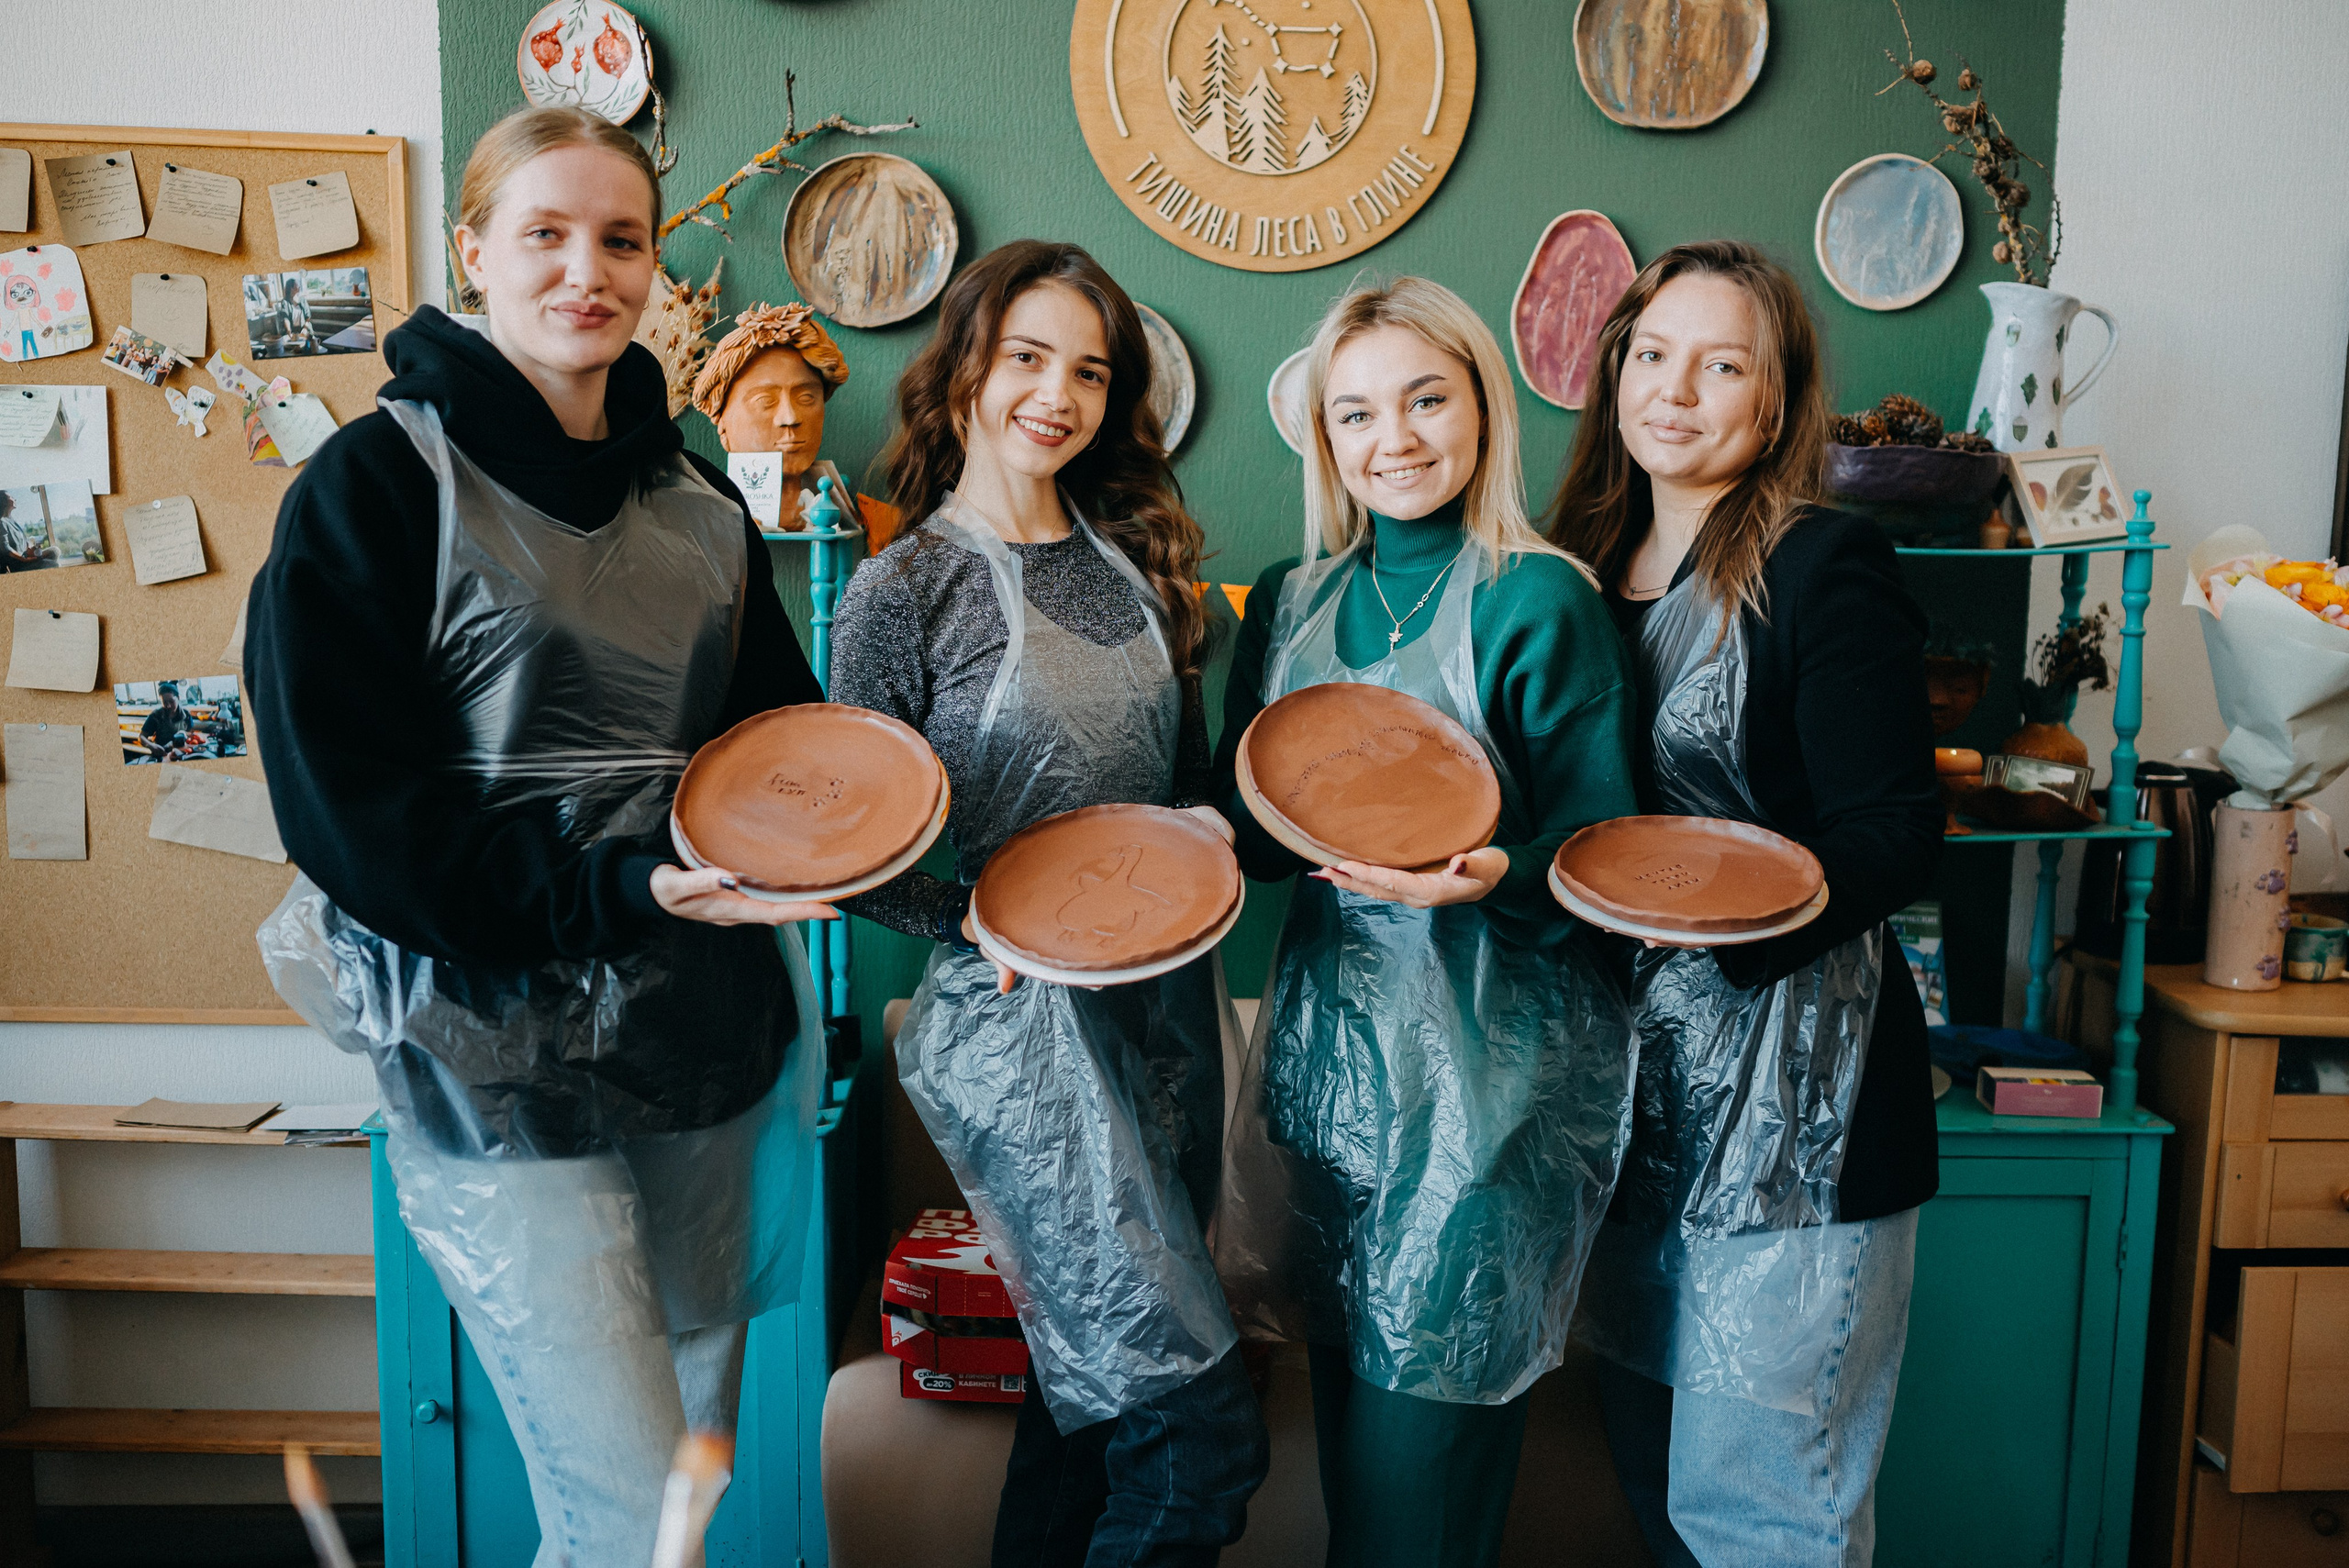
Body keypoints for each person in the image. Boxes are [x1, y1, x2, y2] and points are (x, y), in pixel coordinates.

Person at [246, 105, 835, 1564]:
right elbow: (352, 809)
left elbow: (785, 756)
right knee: (623, 1507)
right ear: (474, 254)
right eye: (547, 235)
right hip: (484, 1046)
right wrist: (613, 885)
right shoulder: (373, 488)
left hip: (699, 1038)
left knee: (674, 1517)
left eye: (622, 239)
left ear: (657, 270)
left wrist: (932, 878)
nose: (589, 271)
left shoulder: (701, 503)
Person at [829, 239, 1269, 1567]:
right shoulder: (901, 587)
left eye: (1088, 370)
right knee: (1198, 1440)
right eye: (1026, 357)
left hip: (1169, 1026)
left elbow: (1185, 788)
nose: (1056, 395)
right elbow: (856, 845)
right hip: (1020, 1041)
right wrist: (972, 914)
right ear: (964, 364)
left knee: (1085, 1419)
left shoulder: (1143, 563)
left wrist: (1216, 834)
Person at [1212, 276, 1639, 1568]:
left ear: (1481, 409)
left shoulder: (1538, 597)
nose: (1392, 438)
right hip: (1328, 1095)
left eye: (1424, 398)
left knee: (1418, 1508)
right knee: (1355, 1483)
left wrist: (1494, 872)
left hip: (1482, 1101)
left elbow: (1605, 853)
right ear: (1325, 439)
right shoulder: (1287, 599)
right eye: (1355, 414)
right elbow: (1248, 832)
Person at [1545, 239, 1942, 1568]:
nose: (1676, 391)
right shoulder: (1572, 569)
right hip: (1633, 1115)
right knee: (1660, 1497)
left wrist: (1724, 909)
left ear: (1777, 403)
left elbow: (1898, 834)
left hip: (1799, 1117)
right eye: (1652, 355)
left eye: (1724, 366)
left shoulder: (1824, 561)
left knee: (1764, 1518)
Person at [139, 683, 195, 759]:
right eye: (164, 702)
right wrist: (151, 745)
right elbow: (141, 736)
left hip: (182, 754)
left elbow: (190, 734)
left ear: (178, 698)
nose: (168, 706)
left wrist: (185, 734)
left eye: (171, 701)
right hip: (162, 754)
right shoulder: (155, 716)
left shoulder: (186, 714)